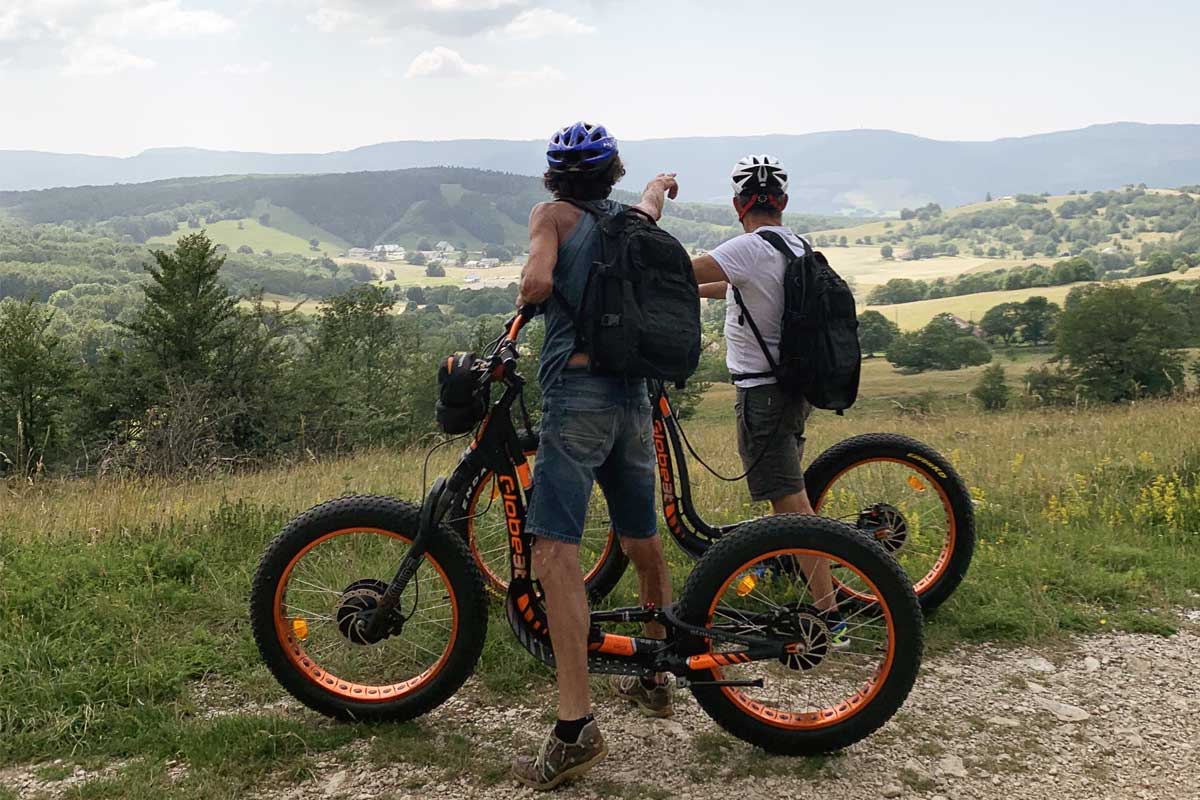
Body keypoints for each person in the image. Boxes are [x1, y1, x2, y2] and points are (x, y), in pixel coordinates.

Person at [510, 121, 680, 791]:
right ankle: (655, 677)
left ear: (557, 179)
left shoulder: (551, 215)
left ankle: (575, 726)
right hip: (632, 396)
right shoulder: (628, 222)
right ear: (610, 173)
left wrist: (534, 278)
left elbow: (535, 284)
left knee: (554, 551)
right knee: (642, 541)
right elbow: (648, 209)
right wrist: (656, 187)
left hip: (576, 394)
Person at [689, 154, 846, 643]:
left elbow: (682, 271)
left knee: (791, 503)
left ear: (738, 205)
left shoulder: (747, 248)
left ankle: (831, 615)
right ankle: (789, 568)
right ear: (783, 203)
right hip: (792, 388)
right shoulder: (794, 245)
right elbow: (741, 287)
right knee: (787, 496)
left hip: (763, 395)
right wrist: (696, 294)